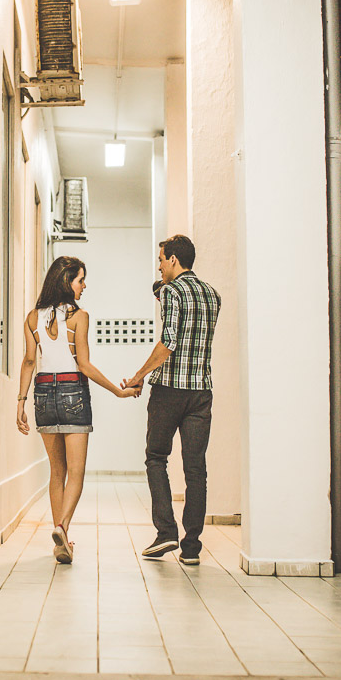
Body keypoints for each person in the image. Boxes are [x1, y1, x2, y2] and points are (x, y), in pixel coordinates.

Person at [16, 256, 141, 564]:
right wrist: (118, 391)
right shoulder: (78, 316)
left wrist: (20, 402)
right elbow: (83, 365)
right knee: (76, 472)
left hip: (43, 393)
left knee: (56, 472)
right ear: (66, 281)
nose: (84, 286)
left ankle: (62, 542)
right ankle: (62, 527)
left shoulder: (33, 317)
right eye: (80, 280)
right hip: (73, 391)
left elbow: (30, 361)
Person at [122, 235, 221, 566]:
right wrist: (160, 285)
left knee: (156, 458)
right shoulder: (212, 295)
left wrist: (138, 376)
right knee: (196, 469)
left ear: (175, 260)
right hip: (201, 393)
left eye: (162, 259)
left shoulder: (171, 291)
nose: (160, 265)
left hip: (169, 391)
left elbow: (168, 341)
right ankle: (191, 547)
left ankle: (166, 532)